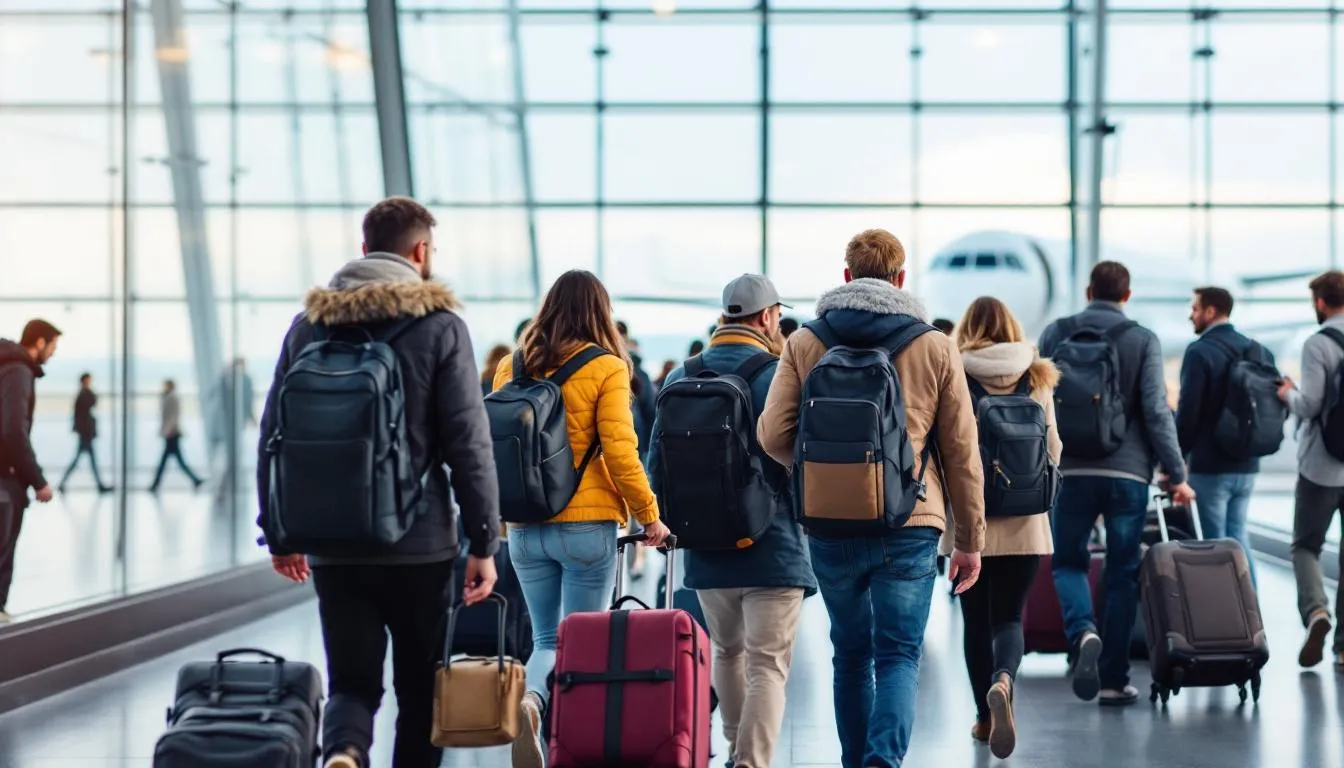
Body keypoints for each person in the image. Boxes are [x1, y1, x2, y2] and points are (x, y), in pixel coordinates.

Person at [259, 197, 502, 768]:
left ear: (363, 247)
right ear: (420, 253)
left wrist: (280, 533)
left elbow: (274, 434)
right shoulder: (441, 327)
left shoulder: (308, 326)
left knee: (351, 683)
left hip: (331, 541)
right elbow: (468, 442)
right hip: (419, 543)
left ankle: (344, 750)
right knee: (420, 690)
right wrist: (484, 542)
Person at [758, 229, 986, 768]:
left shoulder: (805, 341)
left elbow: (771, 434)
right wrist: (970, 541)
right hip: (912, 521)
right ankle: (884, 760)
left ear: (845, 276)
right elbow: (961, 451)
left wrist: (821, 476)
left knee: (851, 655)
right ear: (901, 278)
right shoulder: (934, 345)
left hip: (831, 525)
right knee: (900, 654)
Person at [491, 270, 670, 768]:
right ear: (600, 311)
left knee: (546, 639)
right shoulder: (610, 367)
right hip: (586, 529)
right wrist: (649, 515)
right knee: (580, 645)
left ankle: (531, 705)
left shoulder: (512, 366)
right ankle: (570, 742)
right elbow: (620, 451)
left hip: (524, 527)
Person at [646, 274, 817, 768]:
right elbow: (800, 454)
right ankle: (750, 761)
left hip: (703, 544)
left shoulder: (681, 377)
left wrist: (667, 522)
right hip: (771, 541)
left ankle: (735, 749)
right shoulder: (776, 374)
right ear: (766, 318)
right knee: (768, 664)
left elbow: (656, 461)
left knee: (726, 652)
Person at [1038, 261, 1193, 707]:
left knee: (1068, 562)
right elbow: (1156, 411)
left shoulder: (1055, 333)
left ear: (1089, 291)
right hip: (1127, 474)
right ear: (1127, 295)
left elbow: (1040, 404)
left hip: (1069, 472)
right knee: (1123, 575)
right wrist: (1176, 474)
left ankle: (1082, 630)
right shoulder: (1142, 339)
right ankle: (1112, 680)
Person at [949, 297, 1060, 759]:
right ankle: (1004, 680)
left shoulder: (955, 371)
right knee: (1010, 617)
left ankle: (983, 715)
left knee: (975, 621)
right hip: (1025, 521)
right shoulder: (1037, 375)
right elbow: (1053, 448)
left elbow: (948, 448)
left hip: (969, 522)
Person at [1176, 286, 1272, 586]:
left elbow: (1188, 413)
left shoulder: (1200, 351)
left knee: (1214, 543)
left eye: (1195, 308)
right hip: (1247, 463)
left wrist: (1176, 460)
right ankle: (1251, 611)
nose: (1191, 315)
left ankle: (1223, 619)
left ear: (1211, 311)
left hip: (1210, 465)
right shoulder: (1257, 350)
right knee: (1239, 537)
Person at [1277, 271, 1344, 671]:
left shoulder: (1318, 343)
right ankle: (1343, 648)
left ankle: (1316, 611)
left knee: (1305, 545)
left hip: (1321, 466)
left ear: (1320, 302)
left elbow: (1310, 405)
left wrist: (1287, 393)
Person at [0, 320, 61, 622]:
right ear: (39, 342)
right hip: (5, 476)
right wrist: (37, 481)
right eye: (52, 346)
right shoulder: (18, 371)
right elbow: (13, 430)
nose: (53, 353)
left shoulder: (8, 366)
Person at [58, 372, 111, 494]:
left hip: (85, 433)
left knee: (85, 460)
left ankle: (99, 485)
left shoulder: (82, 394)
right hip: (85, 433)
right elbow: (92, 403)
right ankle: (99, 485)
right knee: (83, 460)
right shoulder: (84, 394)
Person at [149, 379, 204, 493]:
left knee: (170, 461)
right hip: (171, 433)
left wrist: (167, 430)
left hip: (172, 433)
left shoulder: (172, 398)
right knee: (175, 461)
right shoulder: (168, 397)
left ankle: (156, 484)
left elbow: (173, 416)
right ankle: (195, 480)